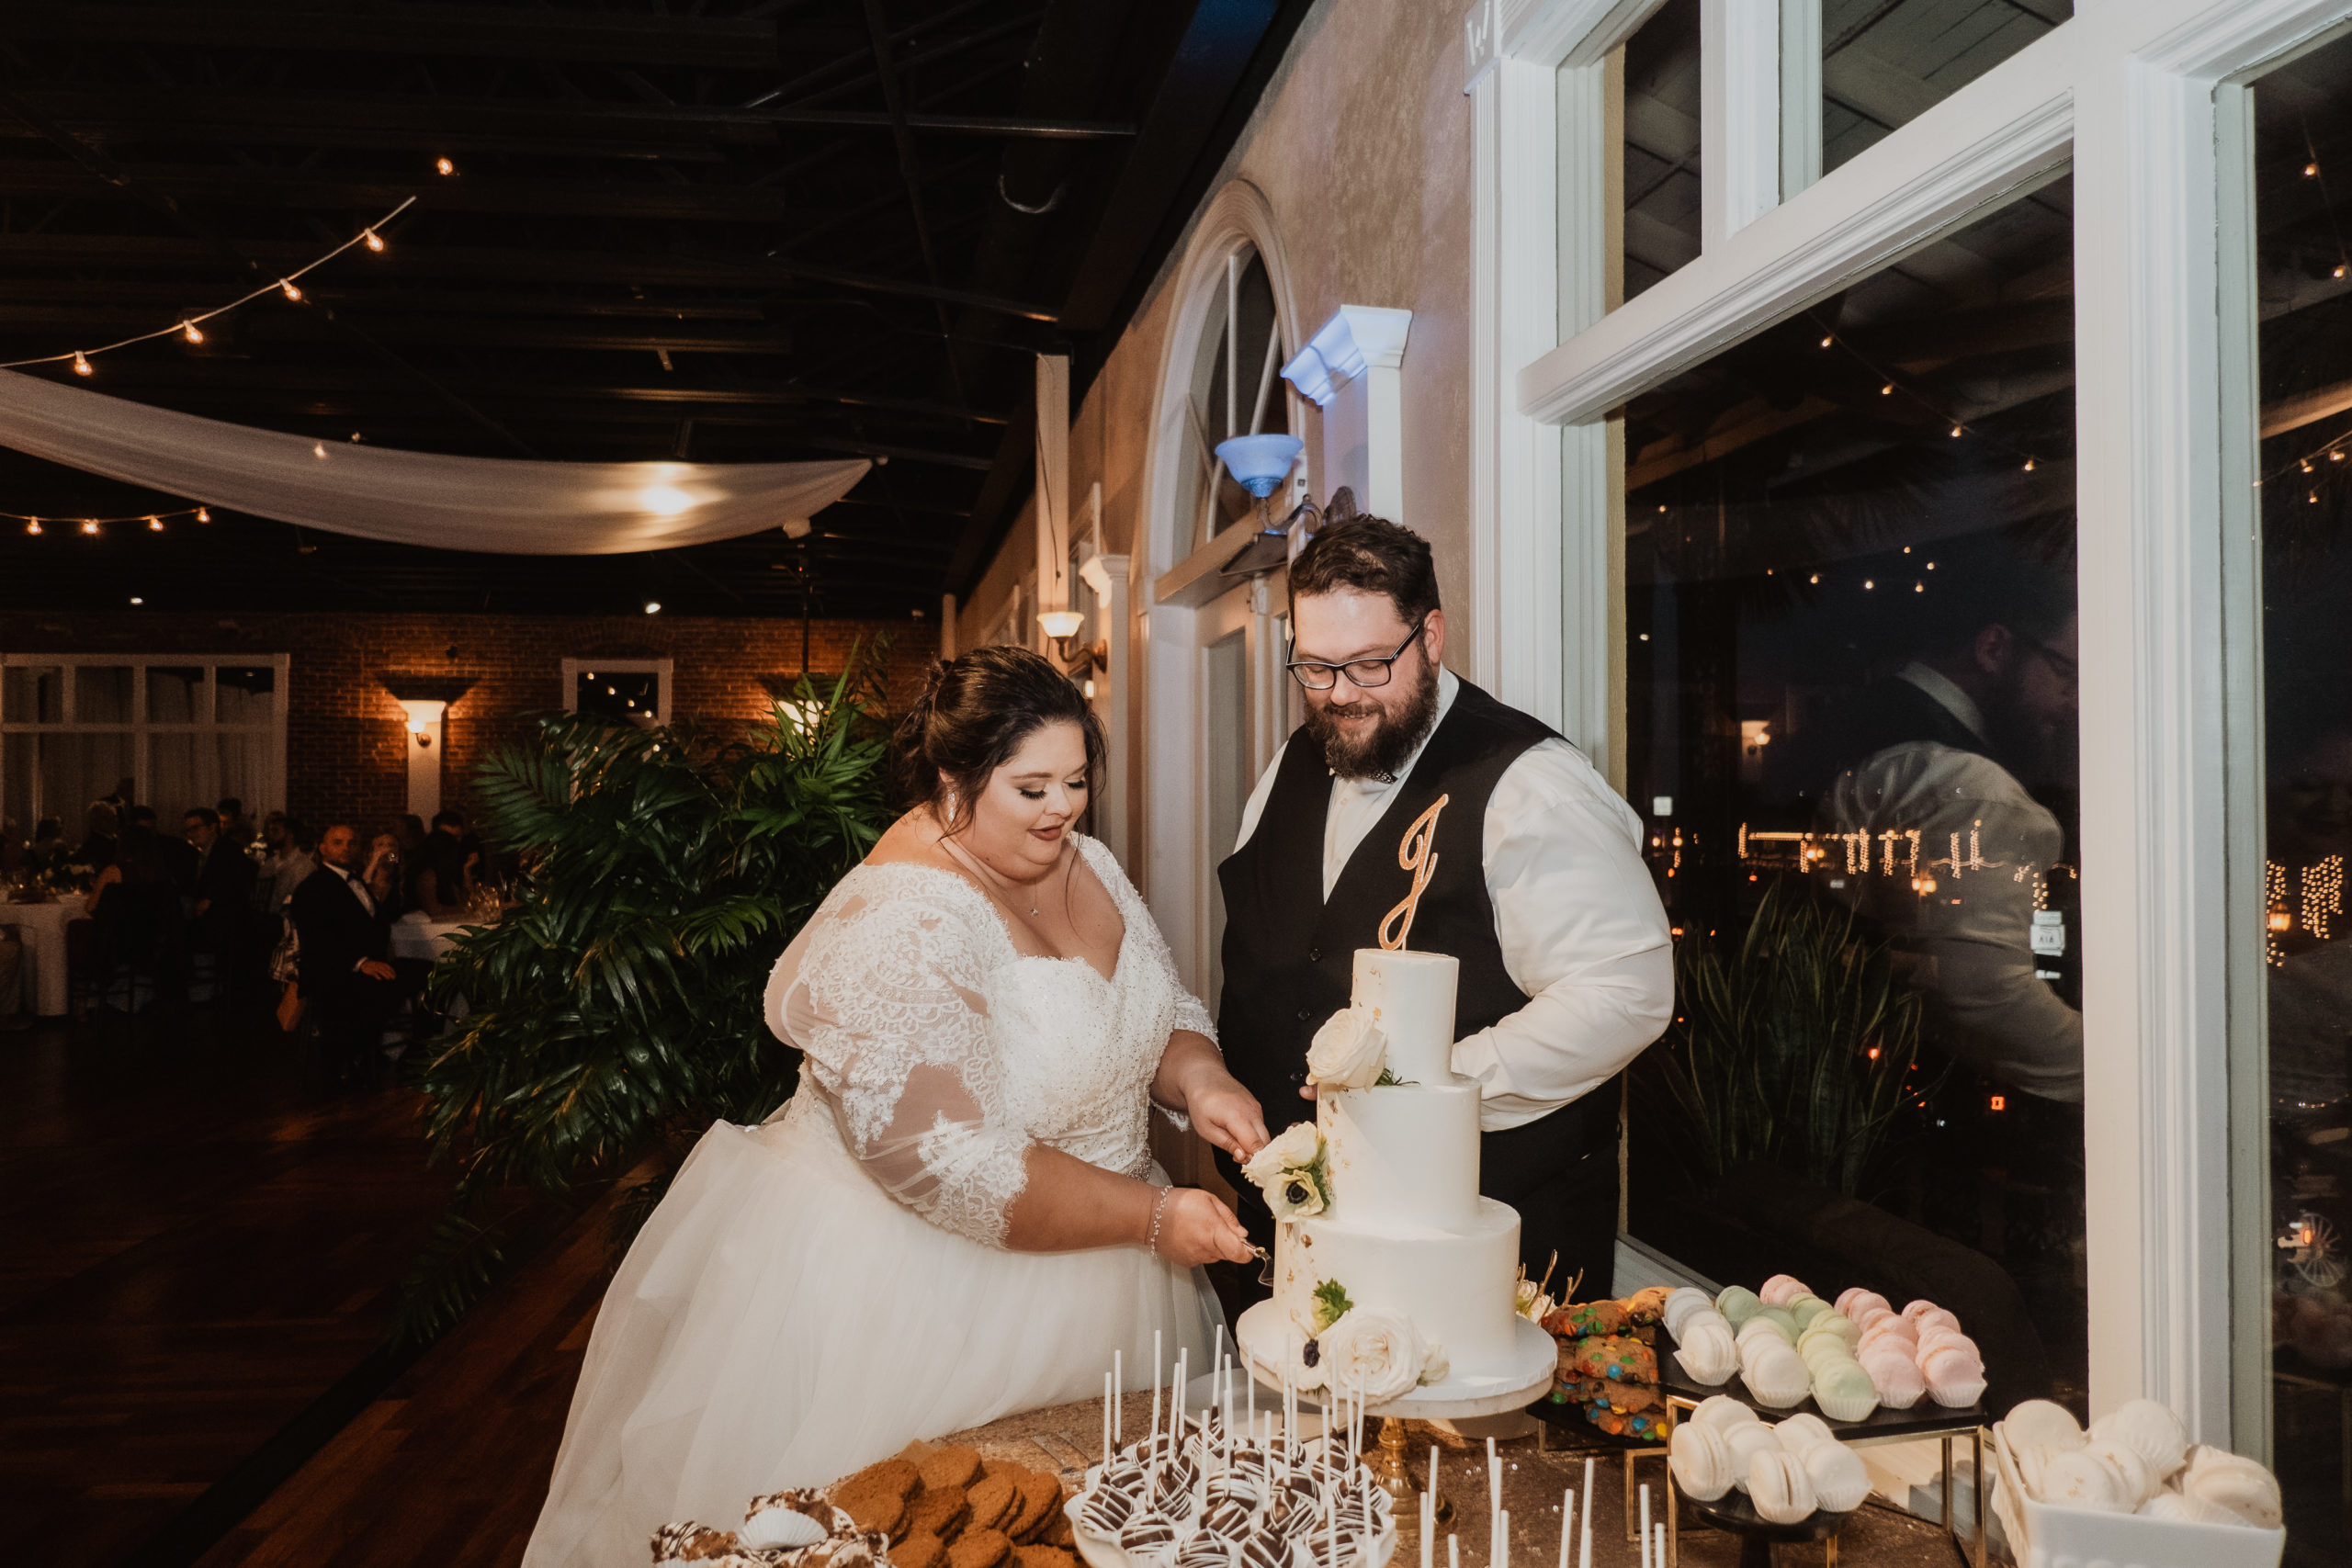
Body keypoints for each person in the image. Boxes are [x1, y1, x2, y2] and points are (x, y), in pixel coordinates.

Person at [523, 646, 1266, 1568]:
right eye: (1030, 788)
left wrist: (1201, 1080)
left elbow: (1155, 1010)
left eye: (1075, 781)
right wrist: (1154, 1216)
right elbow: (945, 1160)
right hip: (932, 1301)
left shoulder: (1089, 863)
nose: (1064, 808)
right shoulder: (902, 916)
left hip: (1123, 1279)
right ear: (954, 779)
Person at [1217, 516, 1673, 1298]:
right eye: (1315, 668)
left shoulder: (1532, 784)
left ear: (1431, 636)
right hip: (1293, 1237)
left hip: (1480, 1247)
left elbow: (1627, 994)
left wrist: (1427, 1086)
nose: (1339, 696)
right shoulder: (1293, 760)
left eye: (1368, 665)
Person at [1812, 548, 2082, 1102]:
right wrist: (2135, 1067)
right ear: (1993, 649)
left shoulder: (1851, 724)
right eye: (2066, 672)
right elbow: (1984, 998)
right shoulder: (1967, 783)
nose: (2074, 701)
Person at [289, 824, 400, 1082]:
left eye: (351, 843)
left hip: (364, 965)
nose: (346, 848)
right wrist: (361, 963)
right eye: (338, 842)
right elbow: (319, 941)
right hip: (332, 972)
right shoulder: (312, 887)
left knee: (426, 973)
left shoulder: (356, 880)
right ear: (322, 848)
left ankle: (405, 1049)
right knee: (382, 987)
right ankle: (351, 1053)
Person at [185, 807, 258, 988]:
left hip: (227, 919)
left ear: (212, 827)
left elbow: (234, 882)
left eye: (196, 828)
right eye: (188, 829)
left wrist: (209, 900)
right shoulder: (198, 855)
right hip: (213, 916)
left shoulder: (227, 850)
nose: (191, 833)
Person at [407, 809, 476, 918]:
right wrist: (465, 909)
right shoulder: (427, 872)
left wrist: (466, 871)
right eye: (445, 837)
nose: (450, 842)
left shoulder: (459, 859)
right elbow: (433, 910)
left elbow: (466, 900)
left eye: (456, 837)